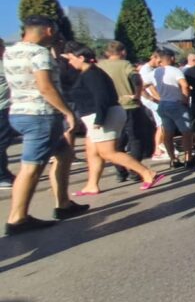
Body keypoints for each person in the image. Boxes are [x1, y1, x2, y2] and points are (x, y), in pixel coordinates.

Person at [4, 16, 89, 235]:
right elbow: (45, 87)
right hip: (41, 115)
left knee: (64, 153)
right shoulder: (39, 53)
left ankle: (64, 204)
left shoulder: (11, 52)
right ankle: (17, 218)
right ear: (49, 30)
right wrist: (68, 112)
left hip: (19, 111)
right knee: (31, 168)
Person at [60, 42, 166, 195]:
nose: (70, 62)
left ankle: (148, 173)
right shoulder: (87, 73)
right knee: (92, 151)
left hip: (104, 115)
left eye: (71, 59)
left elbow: (101, 97)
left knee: (108, 152)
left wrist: (99, 119)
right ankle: (92, 185)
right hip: (98, 116)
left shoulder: (93, 74)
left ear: (81, 58)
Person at [96, 41, 146, 182]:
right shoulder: (125, 64)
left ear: (107, 52)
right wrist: (137, 95)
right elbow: (137, 79)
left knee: (116, 140)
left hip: (110, 106)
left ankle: (120, 171)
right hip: (129, 105)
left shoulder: (100, 66)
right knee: (135, 138)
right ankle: (135, 171)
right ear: (123, 52)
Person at [145, 49, 194, 168]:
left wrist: (152, 98)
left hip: (163, 104)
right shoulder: (175, 71)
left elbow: (142, 85)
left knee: (168, 133)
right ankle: (188, 158)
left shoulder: (155, 72)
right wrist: (185, 99)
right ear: (171, 58)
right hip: (176, 104)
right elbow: (184, 85)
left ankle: (173, 159)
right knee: (186, 132)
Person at [139, 51, 169, 162]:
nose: (160, 64)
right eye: (159, 61)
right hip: (151, 101)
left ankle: (160, 147)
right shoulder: (146, 70)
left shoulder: (150, 69)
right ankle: (158, 150)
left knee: (162, 124)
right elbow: (148, 86)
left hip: (153, 100)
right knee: (162, 124)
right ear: (154, 57)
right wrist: (155, 98)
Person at [0, 38, 15, 189]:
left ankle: (4, 173)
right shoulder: (3, 65)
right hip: (2, 108)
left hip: (4, 107)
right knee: (2, 142)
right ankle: (1, 176)